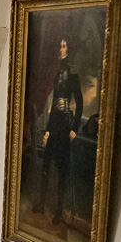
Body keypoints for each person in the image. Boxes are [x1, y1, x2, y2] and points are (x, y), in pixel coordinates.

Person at [35, 37, 83, 225]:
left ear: (68, 49)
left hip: (65, 125)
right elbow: (54, 104)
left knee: (62, 169)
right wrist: (47, 129)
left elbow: (79, 103)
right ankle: (41, 203)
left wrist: (74, 128)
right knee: (46, 165)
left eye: (63, 46)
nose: (60, 49)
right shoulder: (56, 73)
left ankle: (58, 210)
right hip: (55, 122)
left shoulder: (73, 76)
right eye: (59, 46)